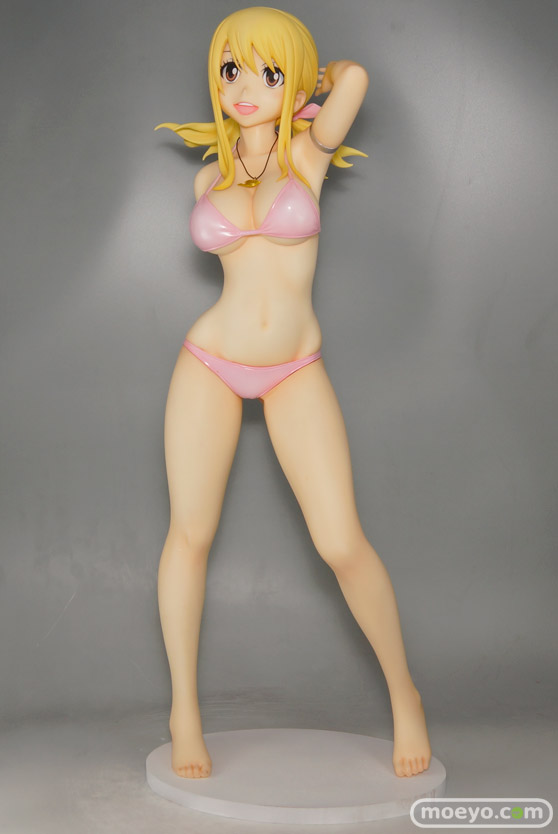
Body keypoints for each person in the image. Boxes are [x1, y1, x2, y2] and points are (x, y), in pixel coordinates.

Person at [154, 6, 432, 780]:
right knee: (190, 536)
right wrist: (286, 83)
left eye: (268, 73)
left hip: (294, 366)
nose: (244, 87)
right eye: (231, 69)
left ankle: (405, 693)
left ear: (296, 85)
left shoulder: (308, 155)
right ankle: (184, 712)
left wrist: (315, 82)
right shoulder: (210, 176)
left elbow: (357, 79)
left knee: (341, 542)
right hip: (208, 359)